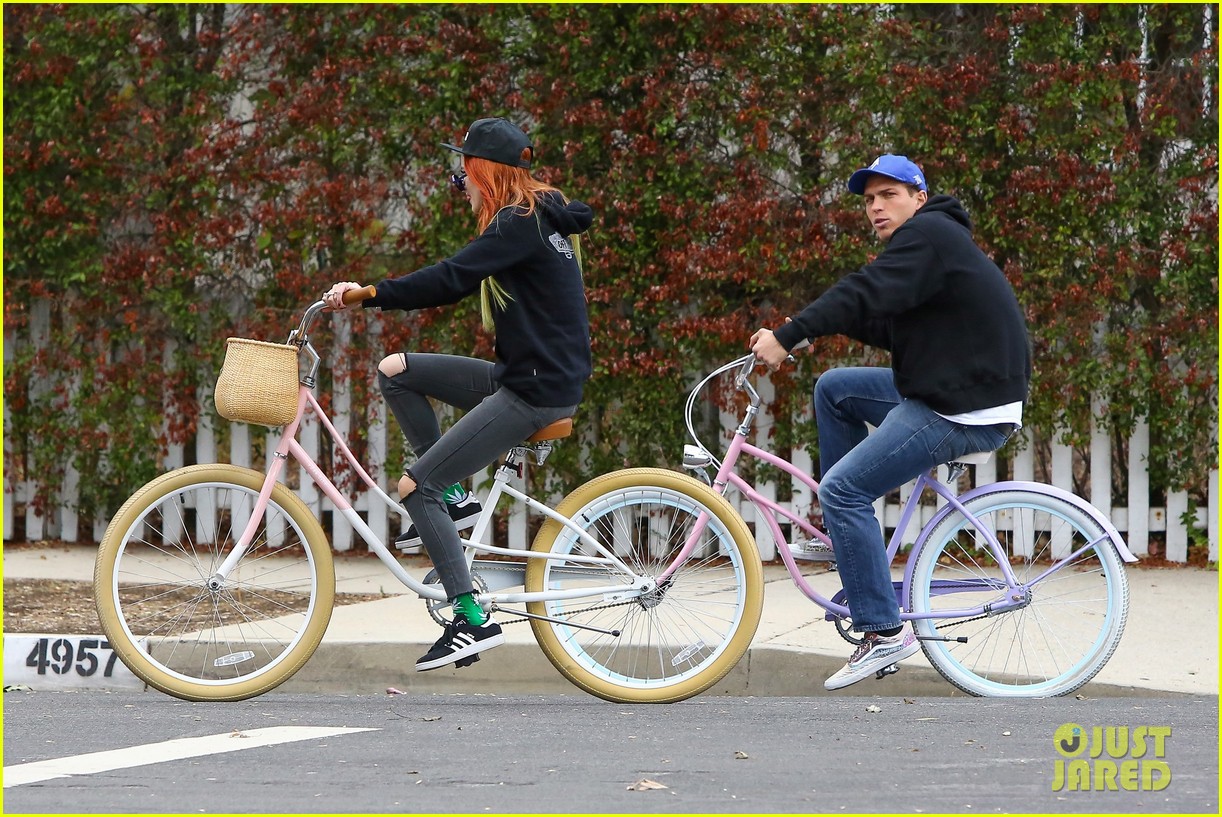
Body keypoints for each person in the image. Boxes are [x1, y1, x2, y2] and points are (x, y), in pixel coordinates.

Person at [749, 154, 1030, 690]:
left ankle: (881, 632)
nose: (876, 207)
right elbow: (879, 317)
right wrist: (807, 331)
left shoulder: (927, 237)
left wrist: (788, 336)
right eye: (869, 199)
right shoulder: (930, 245)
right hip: (953, 385)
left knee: (844, 488)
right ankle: (844, 538)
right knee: (836, 389)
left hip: (964, 406)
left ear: (919, 198)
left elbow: (862, 291)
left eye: (889, 195)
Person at [325, 117, 594, 672]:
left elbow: (450, 279)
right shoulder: (540, 216)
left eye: (462, 174)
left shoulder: (517, 224)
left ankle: (472, 618)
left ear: (484, 173)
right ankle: (456, 501)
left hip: (534, 389)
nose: (460, 185)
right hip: (529, 373)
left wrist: (366, 293)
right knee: (395, 370)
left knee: (415, 486)